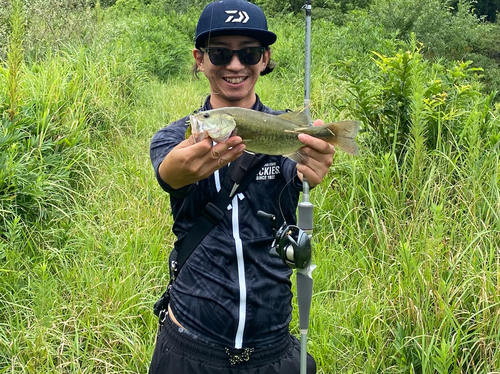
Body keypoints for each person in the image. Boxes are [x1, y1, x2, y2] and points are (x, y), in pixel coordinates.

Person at [148, 1, 335, 373]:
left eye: (248, 53)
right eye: (220, 53)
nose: (235, 66)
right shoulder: (175, 136)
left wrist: (313, 163)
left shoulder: (286, 133)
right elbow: (169, 172)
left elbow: (303, 171)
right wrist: (175, 174)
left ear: (264, 59)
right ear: (200, 59)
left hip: (272, 344)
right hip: (189, 341)